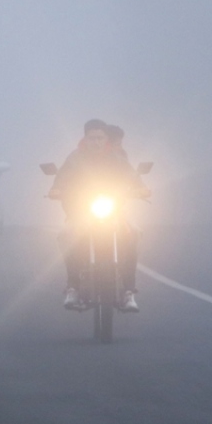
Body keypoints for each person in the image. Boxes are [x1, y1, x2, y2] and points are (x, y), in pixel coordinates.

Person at [48, 119, 148, 312]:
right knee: (66, 235)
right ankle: (73, 287)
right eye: (92, 138)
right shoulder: (75, 158)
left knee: (134, 233)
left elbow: (132, 176)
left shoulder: (117, 158)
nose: (96, 142)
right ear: (85, 138)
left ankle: (128, 291)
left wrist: (142, 188)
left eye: (100, 138)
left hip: (115, 212)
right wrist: (56, 189)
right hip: (80, 212)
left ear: (106, 139)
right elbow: (60, 179)